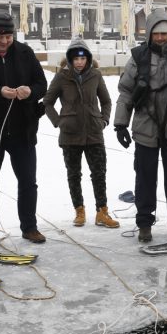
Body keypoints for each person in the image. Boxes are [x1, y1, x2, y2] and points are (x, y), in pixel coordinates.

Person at [113, 10, 167, 243]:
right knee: (145, 177)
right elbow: (126, 91)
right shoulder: (139, 57)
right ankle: (144, 223)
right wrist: (120, 124)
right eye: (157, 33)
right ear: (149, 34)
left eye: (165, 34)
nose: (161, 38)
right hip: (146, 125)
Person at [0, 11, 48, 246]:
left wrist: (30, 92)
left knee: (27, 181)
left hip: (22, 128)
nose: (4, 42)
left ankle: (29, 227)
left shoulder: (25, 53)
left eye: (8, 37)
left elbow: (41, 84)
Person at [43, 38, 119, 228]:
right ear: (70, 59)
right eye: (76, 58)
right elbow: (47, 102)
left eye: (83, 58)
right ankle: (79, 210)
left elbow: (107, 101)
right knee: (74, 174)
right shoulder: (62, 77)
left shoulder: (96, 75)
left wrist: (104, 120)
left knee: (99, 173)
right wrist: (58, 121)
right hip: (70, 135)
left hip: (94, 132)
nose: (79, 62)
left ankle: (102, 212)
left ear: (88, 59)